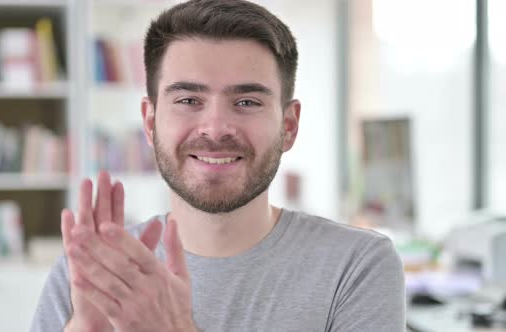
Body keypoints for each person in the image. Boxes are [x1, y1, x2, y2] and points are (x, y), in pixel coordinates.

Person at [31, 0, 406, 331]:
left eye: (246, 102)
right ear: (150, 121)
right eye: (189, 100)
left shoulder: (357, 266)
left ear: (289, 126)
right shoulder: (91, 272)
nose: (215, 129)